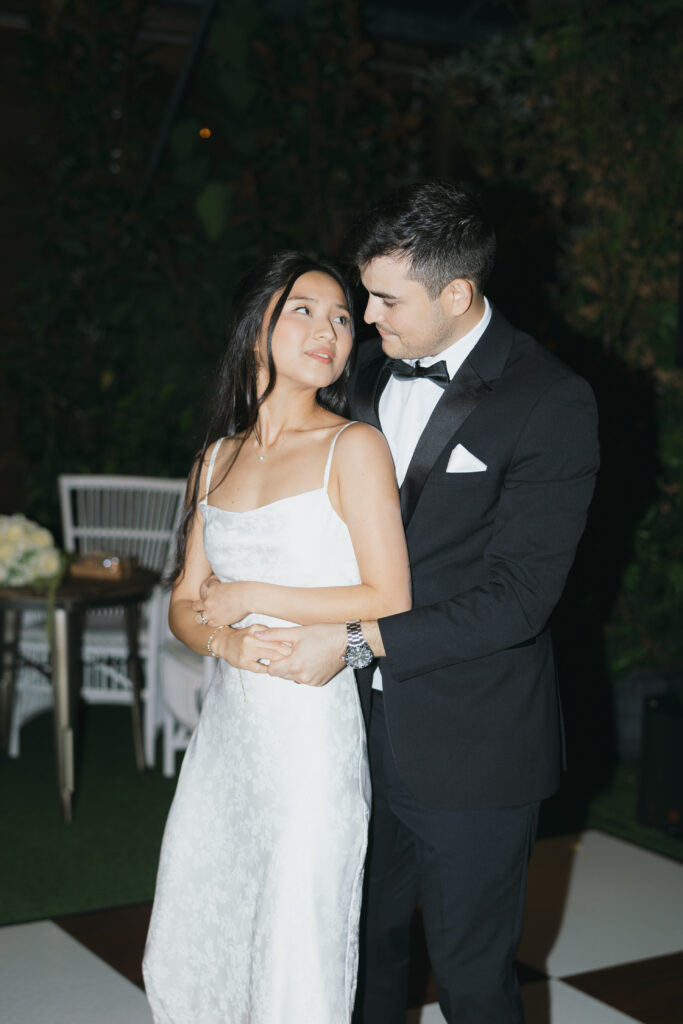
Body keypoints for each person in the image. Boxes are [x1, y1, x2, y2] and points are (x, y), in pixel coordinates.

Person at [253, 183, 601, 1023]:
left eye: (384, 299)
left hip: (474, 745)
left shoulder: (551, 401)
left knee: (472, 975)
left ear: (457, 293)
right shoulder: (366, 371)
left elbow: (517, 601)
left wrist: (354, 640)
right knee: (361, 950)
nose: (364, 318)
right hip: (347, 738)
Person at [142, 251, 411, 1024]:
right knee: (203, 924)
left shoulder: (352, 448)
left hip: (308, 742)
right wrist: (224, 643)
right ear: (255, 329)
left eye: (340, 317)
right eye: (305, 310)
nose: (330, 329)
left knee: (296, 943)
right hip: (227, 741)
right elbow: (186, 605)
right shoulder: (214, 460)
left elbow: (389, 596)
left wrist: (257, 595)